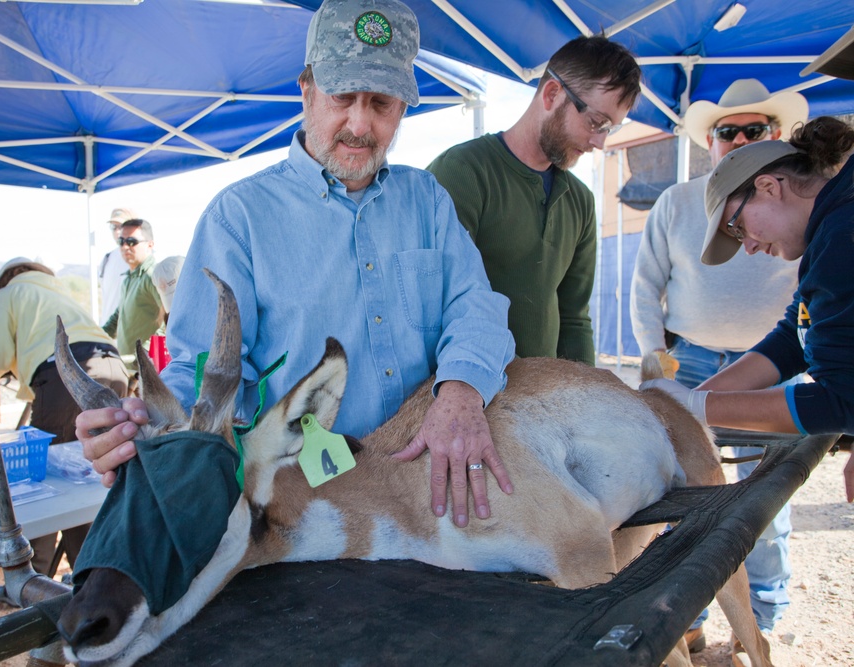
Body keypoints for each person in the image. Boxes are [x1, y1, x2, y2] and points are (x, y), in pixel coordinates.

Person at [75, 0, 515, 530]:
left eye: (381, 102)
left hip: (428, 484)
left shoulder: (428, 201)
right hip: (308, 500)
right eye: (342, 97)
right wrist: (142, 425)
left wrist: (464, 390)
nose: (359, 123)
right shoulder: (238, 218)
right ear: (306, 91)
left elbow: (476, 305)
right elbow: (205, 370)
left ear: (403, 108)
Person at [642, 116, 854, 663]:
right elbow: (793, 340)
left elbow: (838, 399)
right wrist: (692, 404)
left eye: (739, 228)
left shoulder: (842, 233)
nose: (748, 247)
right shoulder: (831, 228)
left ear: (768, 185)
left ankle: (764, 614)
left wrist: (695, 403)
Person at [630, 79, 808, 649]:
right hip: (694, 357)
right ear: (709, 140)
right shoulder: (676, 202)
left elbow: (815, 307)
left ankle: (761, 615)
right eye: (725, 131)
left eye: (751, 131)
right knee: (686, 491)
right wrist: (657, 362)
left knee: (767, 492)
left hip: (776, 361)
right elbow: (643, 287)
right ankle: (691, 612)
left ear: (774, 141)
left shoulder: (815, 220)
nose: (736, 139)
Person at [427, 36, 640, 365]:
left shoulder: (580, 201)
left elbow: (574, 319)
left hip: (542, 404)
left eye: (609, 129)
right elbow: (430, 308)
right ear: (553, 93)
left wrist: (585, 398)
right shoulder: (462, 172)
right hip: (464, 396)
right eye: (596, 122)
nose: (599, 142)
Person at [0, 257, 128, 575]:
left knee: (51, 482)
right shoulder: (57, 294)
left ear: (6, 278)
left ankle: (43, 578)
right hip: (113, 369)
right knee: (90, 478)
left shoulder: (9, 294)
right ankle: (100, 573)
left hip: (68, 374)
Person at [102, 218, 164, 367]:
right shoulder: (128, 279)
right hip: (130, 369)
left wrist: (145, 356)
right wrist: (94, 337)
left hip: (147, 372)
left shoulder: (152, 276)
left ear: (150, 244)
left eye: (131, 241)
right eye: (121, 241)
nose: (125, 247)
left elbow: (170, 321)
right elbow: (117, 318)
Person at [97, 208, 137, 326]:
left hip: (132, 336)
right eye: (114, 227)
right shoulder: (107, 259)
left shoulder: (143, 259)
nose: (117, 232)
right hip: (109, 333)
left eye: (122, 226)